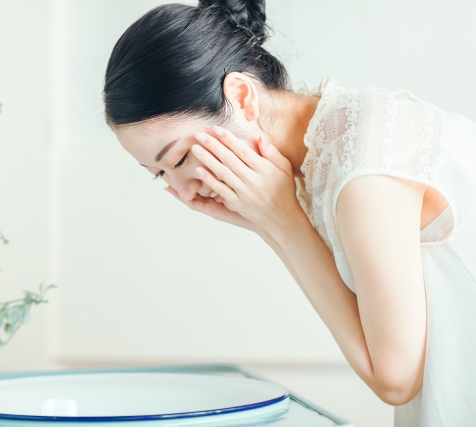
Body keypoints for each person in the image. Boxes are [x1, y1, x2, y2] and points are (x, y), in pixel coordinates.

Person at [102, 1, 476, 426]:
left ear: (242, 97)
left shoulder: (363, 171)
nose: (184, 191)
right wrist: (271, 222)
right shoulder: (321, 148)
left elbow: (396, 379)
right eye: (160, 174)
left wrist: (284, 224)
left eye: (181, 157)